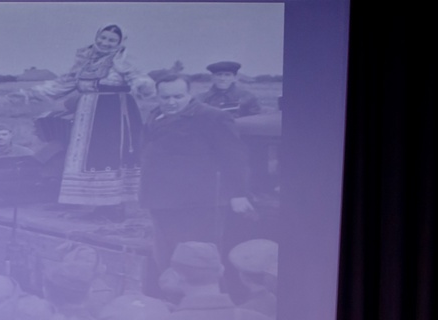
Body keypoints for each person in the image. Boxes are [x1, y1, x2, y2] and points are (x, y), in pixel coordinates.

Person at [139, 75, 252, 281]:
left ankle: (204, 300)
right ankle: (172, 299)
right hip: (161, 199)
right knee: (167, 255)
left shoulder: (212, 117)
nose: (171, 102)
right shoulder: (155, 114)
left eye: (178, 96)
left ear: (189, 94)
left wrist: (238, 194)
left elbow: (234, 157)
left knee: (197, 259)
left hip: (197, 203)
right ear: (158, 96)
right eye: (165, 97)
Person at [27, 24, 152, 208]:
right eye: (103, 37)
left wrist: (143, 85)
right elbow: (64, 83)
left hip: (113, 114)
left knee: (109, 155)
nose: (105, 43)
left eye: (112, 40)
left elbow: (139, 79)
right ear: (97, 37)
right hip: (86, 115)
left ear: (119, 43)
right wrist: (30, 93)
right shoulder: (85, 60)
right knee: (89, 157)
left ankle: (115, 207)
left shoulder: (123, 61)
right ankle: (96, 204)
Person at [195, 61, 262, 118]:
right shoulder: (200, 99)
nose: (222, 79)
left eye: (227, 75)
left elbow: (255, 122)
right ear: (212, 77)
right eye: (219, 75)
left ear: (234, 78)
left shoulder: (248, 97)